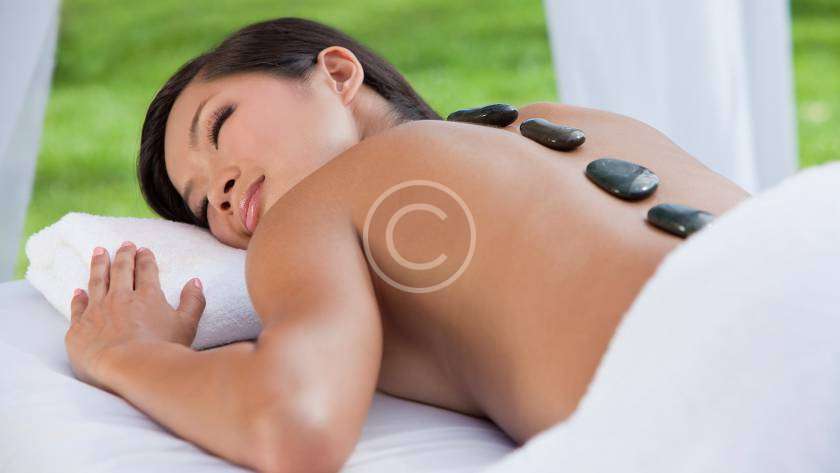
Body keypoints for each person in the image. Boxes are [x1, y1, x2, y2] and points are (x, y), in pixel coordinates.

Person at [64, 17, 750, 473]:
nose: (219, 189)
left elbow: (293, 422)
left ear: (337, 74)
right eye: (198, 203)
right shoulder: (573, 123)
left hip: (734, 390)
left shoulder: (316, 206)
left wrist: (124, 352)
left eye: (218, 128)